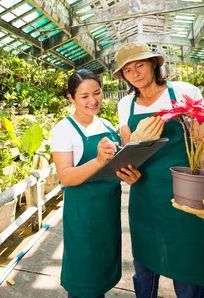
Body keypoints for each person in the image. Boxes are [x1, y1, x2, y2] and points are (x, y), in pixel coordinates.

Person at [113, 43, 204, 298]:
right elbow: (126, 154)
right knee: (144, 268)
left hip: (184, 196)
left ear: (154, 63)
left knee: (188, 266)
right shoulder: (125, 105)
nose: (135, 74)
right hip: (145, 198)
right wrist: (128, 166)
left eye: (140, 65)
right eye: (128, 70)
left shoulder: (184, 92)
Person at [50, 69, 141, 298]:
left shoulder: (108, 126)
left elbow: (116, 167)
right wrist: (99, 160)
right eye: (84, 96)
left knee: (101, 276)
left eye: (97, 93)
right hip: (83, 218)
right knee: (83, 279)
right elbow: (66, 177)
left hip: (108, 215)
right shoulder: (64, 130)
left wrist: (129, 171)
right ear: (71, 98)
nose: (93, 101)